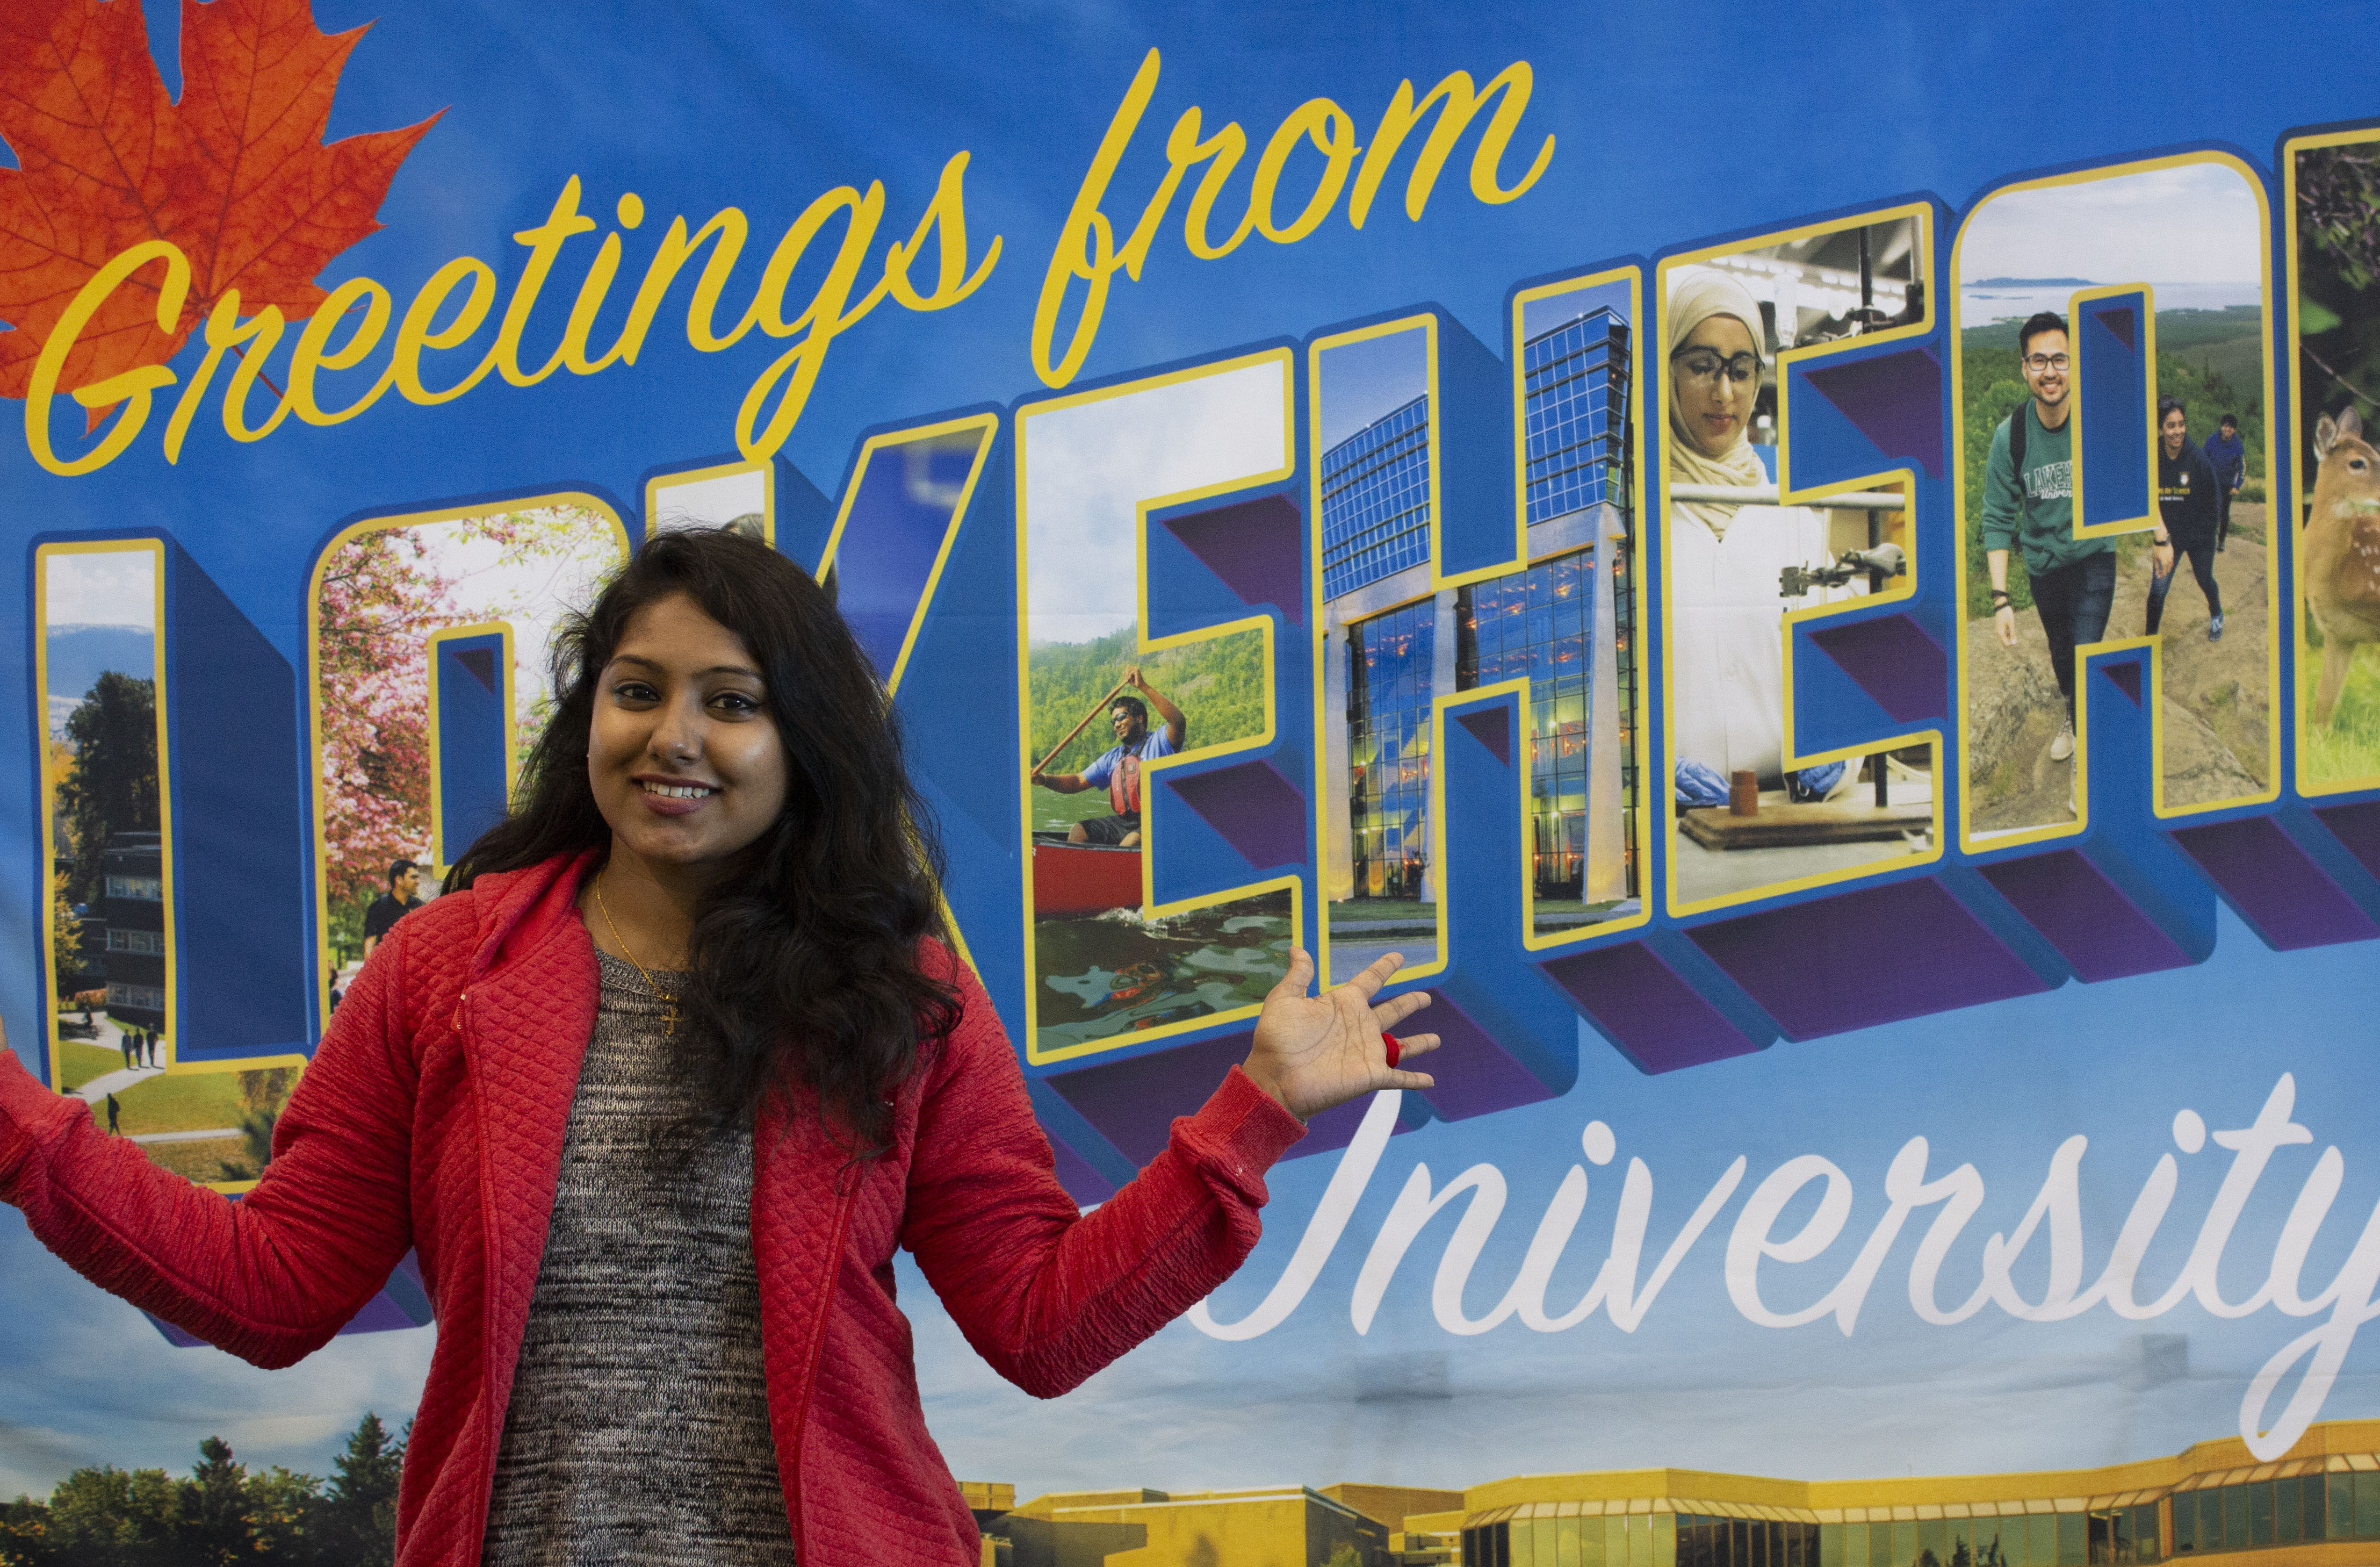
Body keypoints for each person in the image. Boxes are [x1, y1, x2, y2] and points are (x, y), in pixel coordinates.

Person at [0, 529, 1438, 1567]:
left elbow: (1040, 1322)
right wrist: (17, 1124)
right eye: (639, 689)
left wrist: (1252, 1115)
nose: (674, 735)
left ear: (800, 741)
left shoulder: (904, 992)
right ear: (592, 716)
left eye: (731, 701)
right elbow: (271, 1286)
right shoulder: (447, 970)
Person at [1665, 267, 1849, 808]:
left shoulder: (1795, 521)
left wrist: (1842, 751)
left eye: (1741, 371)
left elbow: (1839, 674)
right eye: (1702, 367)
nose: (1725, 393)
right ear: (1666, 373)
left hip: (1788, 822)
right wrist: (1645, 770)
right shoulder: (1630, 525)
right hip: (1672, 834)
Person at [1982, 311, 2109, 764]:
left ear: (2074, 364)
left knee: (2086, 651)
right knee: (2063, 656)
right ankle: (2075, 717)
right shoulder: (2010, 436)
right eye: (2039, 361)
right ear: (2024, 368)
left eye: (2060, 359)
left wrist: (2160, 535)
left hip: (2094, 555)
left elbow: (2134, 472)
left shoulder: (2096, 421)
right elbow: (1997, 517)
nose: (2050, 371)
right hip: (2043, 564)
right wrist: (2001, 600)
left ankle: (2088, 775)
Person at [1032, 667, 1184, 846]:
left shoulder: (1160, 742)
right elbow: (1077, 781)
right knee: (1079, 831)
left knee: (1130, 843)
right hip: (1124, 822)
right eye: (1114, 721)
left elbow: (1178, 721)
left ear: (1140, 718)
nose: (1117, 725)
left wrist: (1143, 686)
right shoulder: (1113, 758)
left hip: (1158, 821)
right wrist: (1044, 780)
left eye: (1121, 717)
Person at [2145, 398, 2227, 641]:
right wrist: (2162, 538)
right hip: (2168, 538)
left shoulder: (2199, 462)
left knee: (2204, 579)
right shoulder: (2153, 457)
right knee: (2157, 592)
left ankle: (2217, 614)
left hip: (2200, 538)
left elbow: (2216, 505)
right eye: (2171, 426)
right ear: (2161, 429)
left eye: (2181, 425)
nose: (2177, 432)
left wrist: (2206, 534)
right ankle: (2150, 641)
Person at [361, 858, 423, 958]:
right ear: (399, 880)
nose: (418, 882)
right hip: (388, 969)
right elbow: (369, 948)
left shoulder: (420, 907)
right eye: (413, 877)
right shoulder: (378, 908)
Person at [2202, 411, 2247, 545]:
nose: (2228, 430)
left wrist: (2237, 486)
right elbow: (2203, 459)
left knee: (2224, 514)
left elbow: (2243, 467)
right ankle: (2209, 540)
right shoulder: (2212, 440)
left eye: (2231, 427)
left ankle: (2221, 541)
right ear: (2222, 426)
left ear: (2234, 430)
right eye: (2226, 426)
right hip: (2212, 483)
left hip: (2227, 485)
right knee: (2210, 511)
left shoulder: (2238, 447)